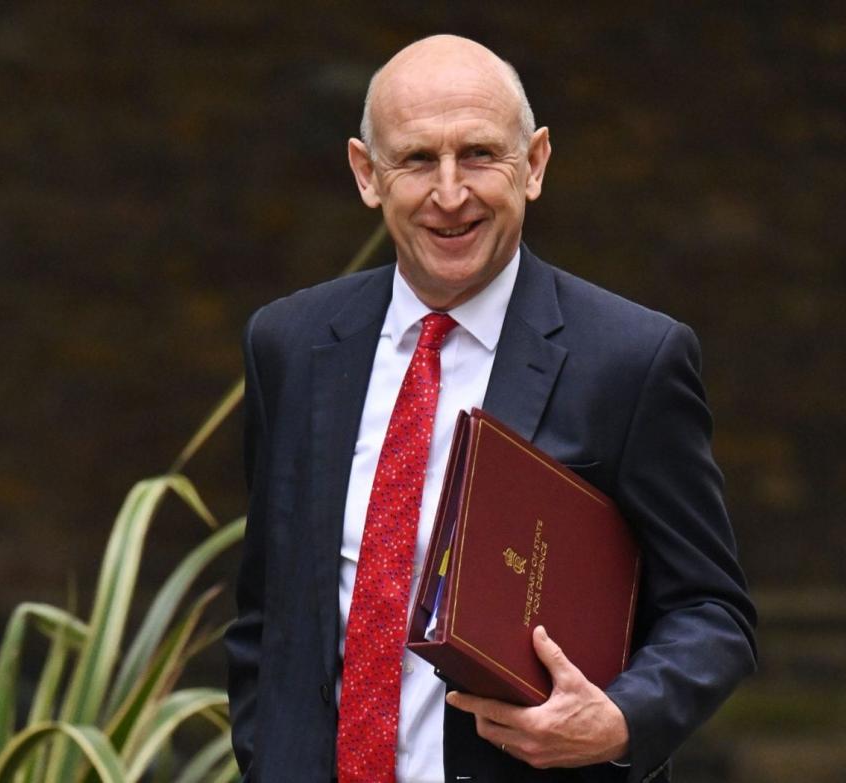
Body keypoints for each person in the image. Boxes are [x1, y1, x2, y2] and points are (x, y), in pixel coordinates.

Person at [225, 34, 757, 783]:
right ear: (366, 174)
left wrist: (617, 721)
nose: (450, 193)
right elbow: (267, 611)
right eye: (416, 159)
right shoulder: (290, 344)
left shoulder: (631, 360)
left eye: (478, 154)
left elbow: (713, 611)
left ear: (534, 163)